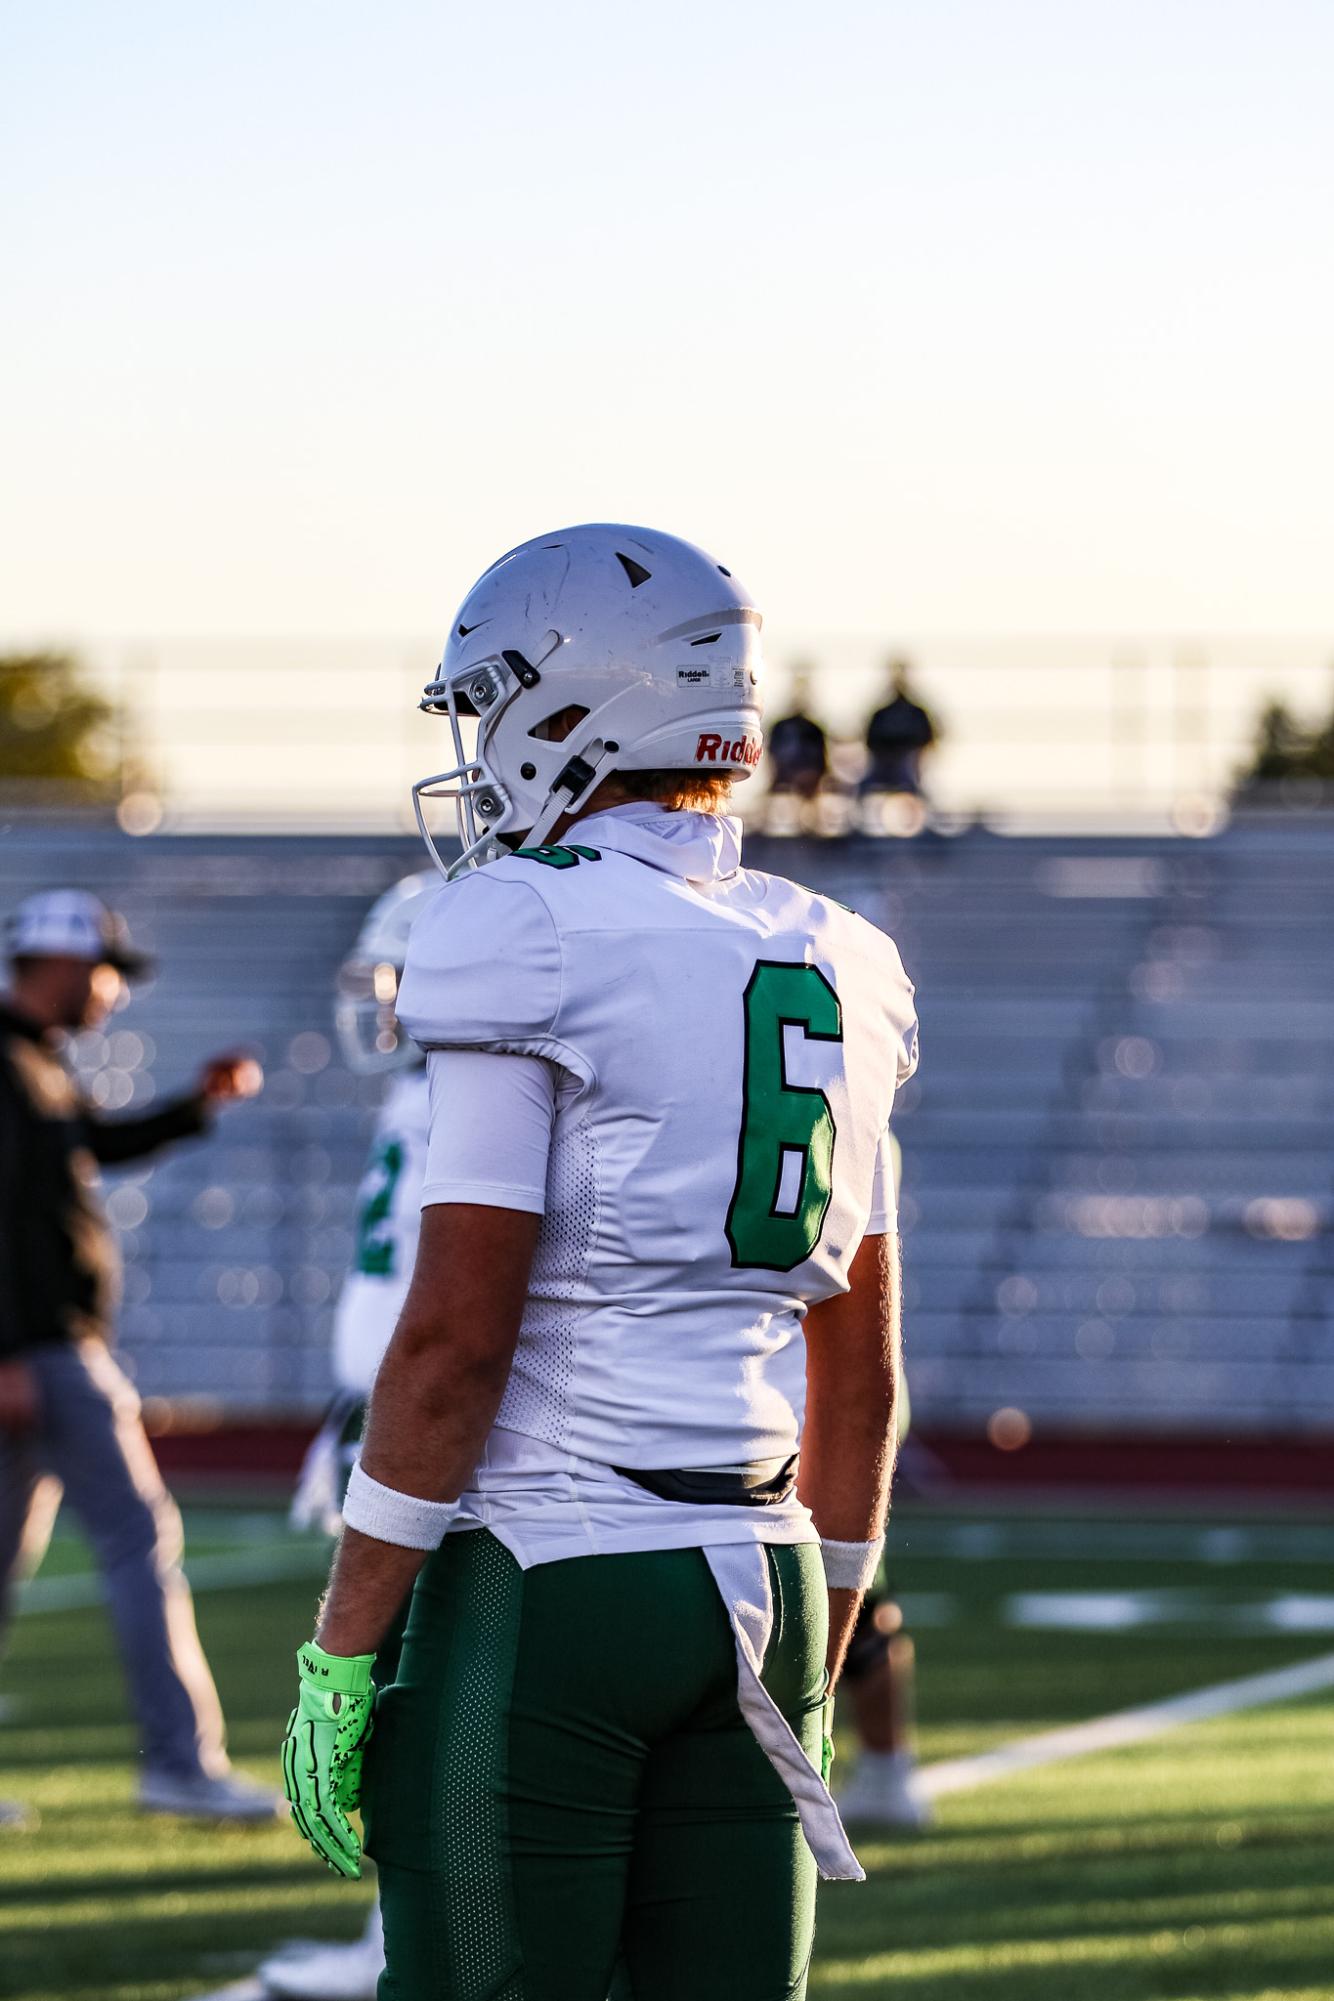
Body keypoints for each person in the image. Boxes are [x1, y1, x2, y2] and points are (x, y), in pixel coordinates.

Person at [280, 524, 919, 2000]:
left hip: (552, 1575)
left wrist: (341, 1652)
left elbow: (453, 1346)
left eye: (491, 703)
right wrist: (822, 1614)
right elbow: (862, 1375)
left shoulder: (521, 922)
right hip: (764, 1579)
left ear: (574, 705)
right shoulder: (845, 953)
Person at [0, 889, 277, 1822]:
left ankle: (180, 1762)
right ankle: (180, 1763)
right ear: (64, 962)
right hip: (40, 1352)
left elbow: (98, 1143)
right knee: (139, 1536)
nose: (115, 991)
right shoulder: (6, 1064)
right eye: (108, 969)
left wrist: (195, 1103)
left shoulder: (33, 1063)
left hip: (37, 1351)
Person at [259, 870, 437, 2001]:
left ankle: (403, 1941)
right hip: (378, 1404)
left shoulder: (470, 1095)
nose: (381, 1001)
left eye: (401, 979)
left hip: (415, 1417)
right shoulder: (424, 1089)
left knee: (413, 1688)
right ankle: (401, 1932)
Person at [862, 659, 936, 797]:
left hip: (907, 765)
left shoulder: (916, 713)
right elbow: (870, 740)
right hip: (882, 764)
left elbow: (929, 739)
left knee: (908, 777)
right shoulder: (881, 713)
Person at [766, 676, 829, 802]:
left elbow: (822, 761)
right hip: (782, 778)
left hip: (810, 782)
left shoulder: (813, 728)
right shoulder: (780, 727)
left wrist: (810, 775)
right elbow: (771, 755)